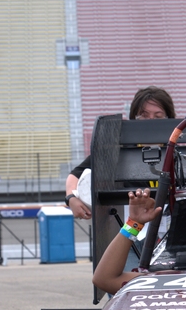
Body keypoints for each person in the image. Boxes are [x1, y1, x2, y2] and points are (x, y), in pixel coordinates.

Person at [65, 86, 176, 220]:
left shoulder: (182, 156)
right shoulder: (116, 151)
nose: (150, 122)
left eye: (158, 117)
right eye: (144, 116)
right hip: (129, 226)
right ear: (133, 118)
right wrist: (71, 198)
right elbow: (75, 174)